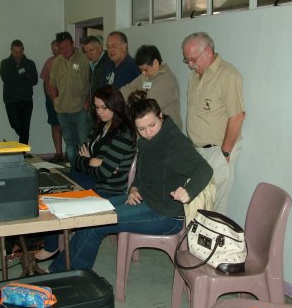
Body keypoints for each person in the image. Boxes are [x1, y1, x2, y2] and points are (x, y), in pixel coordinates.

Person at [49, 93, 213, 272]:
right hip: (146, 199)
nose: (148, 132)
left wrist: (188, 191)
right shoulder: (148, 141)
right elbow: (141, 173)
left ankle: (66, 275)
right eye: (141, 129)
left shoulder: (174, 142)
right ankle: (60, 271)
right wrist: (134, 188)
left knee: (95, 224)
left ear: (161, 117)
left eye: (152, 125)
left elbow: (205, 170)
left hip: (166, 214)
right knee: (91, 214)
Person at [35, 85, 136, 261]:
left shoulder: (123, 132)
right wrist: (92, 161)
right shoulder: (101, 127)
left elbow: (103, 173)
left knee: (58, 195)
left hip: (107, 188)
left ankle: (52, 247)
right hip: (91, 178)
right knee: (51, 181)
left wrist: (89, 160)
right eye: (97, 107)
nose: (100, 112)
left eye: (105, 107)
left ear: (116, 105)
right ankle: (50, 242)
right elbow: (77, 161)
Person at [182, 32, 245, 214]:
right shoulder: (195, 76)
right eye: (188, 61)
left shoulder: (228, 75)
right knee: (198, 204)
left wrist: (224, 153)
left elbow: (237, 116)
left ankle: (213, 242)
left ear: (208, 51)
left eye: (193, 59)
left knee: (214, 208)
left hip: (218, 151)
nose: (191, 65)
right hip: (198, 151)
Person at [49, 31, 90, 168]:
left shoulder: (84, 59)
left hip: (80, 109)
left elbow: (91, 81)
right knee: (70, 143)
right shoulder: (56, 62)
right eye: (61, 48)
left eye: (66, 46)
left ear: (73, 44)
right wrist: (55, 101)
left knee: (83, 142)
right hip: (62, 110)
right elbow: (52, 84)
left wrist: (88, 100)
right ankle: (74, 171)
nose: (64, 50)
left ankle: (85, 170)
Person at [120, 44, 182, 129]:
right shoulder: (147, 75)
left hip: (167, 133)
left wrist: (131, 99)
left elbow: (144, 109)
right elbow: (125, 90)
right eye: (141, 70)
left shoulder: (166, 81)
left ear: (156, 63)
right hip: (150, 130)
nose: (143, 73)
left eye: (145, 69)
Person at [0, 39, 38, 144]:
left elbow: (34, 81)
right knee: (16, 125)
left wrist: (16, 77)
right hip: (11, 100)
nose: (18, 55)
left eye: (20, 52)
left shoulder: (30, 63)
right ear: (11, 51)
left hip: (26, 100)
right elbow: (6, 79)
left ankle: (23, 153)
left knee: (25, 128)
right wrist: (24, 76)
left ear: (23, 50)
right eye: (15, 52)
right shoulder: (5, 63)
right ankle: (20, 147)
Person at [40, 40, 66, 163]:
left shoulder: (71, 62)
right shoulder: (49, 62)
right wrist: (49, 97)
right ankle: (59, 153)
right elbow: (45, 81)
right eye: (54, 52)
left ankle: (72, 154)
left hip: (67, 101)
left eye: (58, 52)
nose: (56, 55)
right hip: (51, 101)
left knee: (68, 127)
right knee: (55, 126)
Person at [82, 35, 110, 113]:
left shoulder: (109, 61)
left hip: (105, 107)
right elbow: (92, 84)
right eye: (86, 52)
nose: (89, 54)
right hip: (94, 106)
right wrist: (89, 98)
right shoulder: (92, 63)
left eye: (91, 50)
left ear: (100, 48)